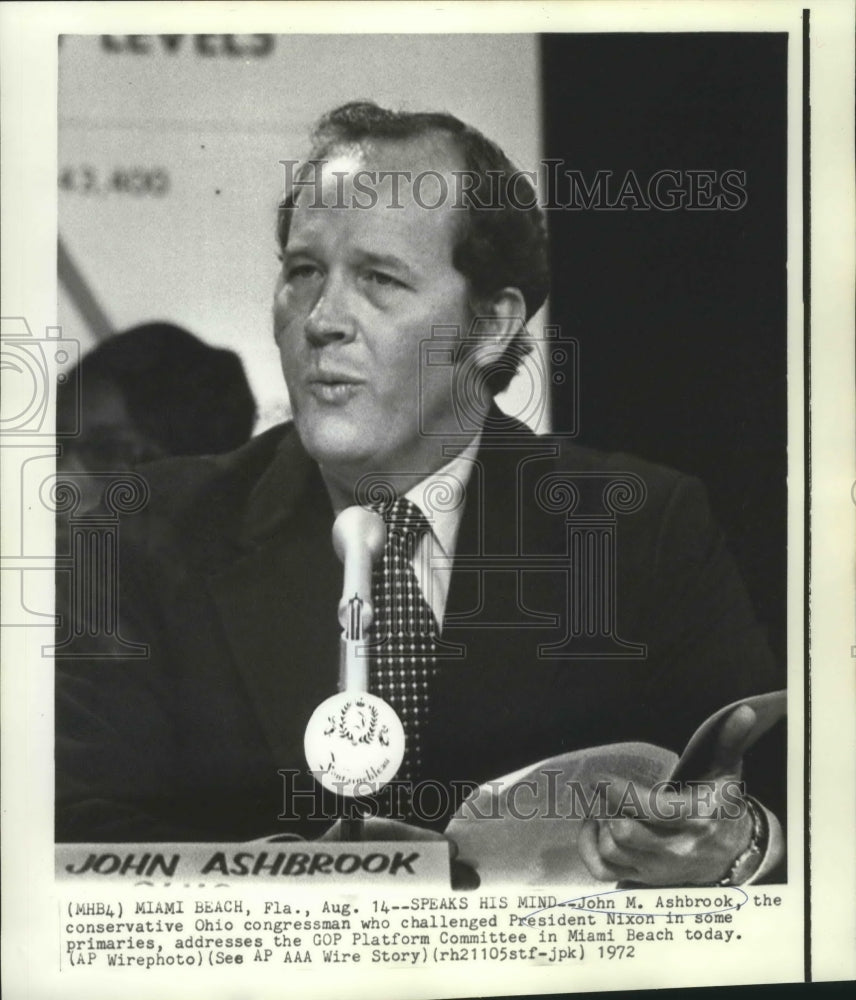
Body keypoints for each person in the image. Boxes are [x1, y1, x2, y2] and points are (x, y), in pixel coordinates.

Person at [55, 102, 784, 886]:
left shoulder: (641, 527)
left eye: (379, 278)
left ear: (492, 325)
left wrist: (734, 845)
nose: (322, 319)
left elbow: (781, 809)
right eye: (303, 273)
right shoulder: (144, 534)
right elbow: (75, 828)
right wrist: (297, 885)